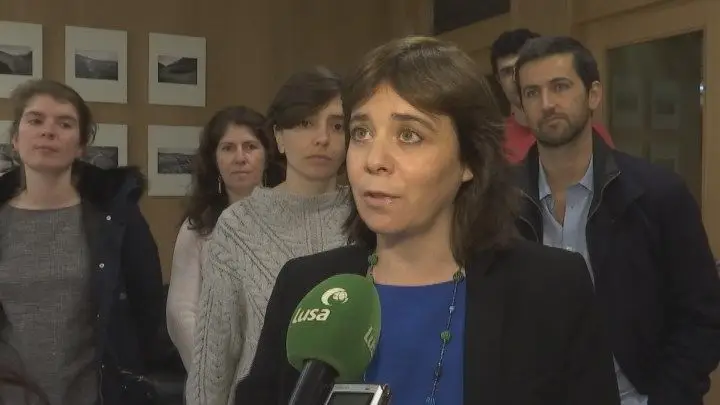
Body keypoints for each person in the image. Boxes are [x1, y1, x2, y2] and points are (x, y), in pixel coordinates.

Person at [234, 36, 620, 405]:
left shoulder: (552, 290)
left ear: (469, 160)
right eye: (361, 132)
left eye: (409, 135)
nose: (374, 160)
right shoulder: (305, 287)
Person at [513, 35, 720, 405]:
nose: (546, 104)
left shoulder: (657, 195)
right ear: (521, 108)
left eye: (560, 87)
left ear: (593, 95)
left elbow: (702, 316)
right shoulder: (499, 203)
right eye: (532, 93)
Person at [186, 67, 350, 405]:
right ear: (278, 137)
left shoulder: (371, 219)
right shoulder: (238, 226)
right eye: (305, 123)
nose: (322, 138)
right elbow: (215, 357)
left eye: (337, 126)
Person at [0, 79, 165, 404]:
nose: (48, 131)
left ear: (80, 146)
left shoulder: (115, 217)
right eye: (35, 120)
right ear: (15, 139)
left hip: (96, 394)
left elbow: (147, 306)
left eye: (64, 124)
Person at [166, 106, 272, 371]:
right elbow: (181, 313)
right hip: (215, 372)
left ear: (267, 155)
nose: (240, 158)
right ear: (214, 159)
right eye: (228, 148)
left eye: (250, 147)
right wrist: (214, 372)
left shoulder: (288, 220)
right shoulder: (197, 228)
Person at [490, 29, 614, 163]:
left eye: (560, 87)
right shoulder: (493, 142)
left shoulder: (590, 134)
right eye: (507, 72)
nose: (516, 78)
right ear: (498, 80)